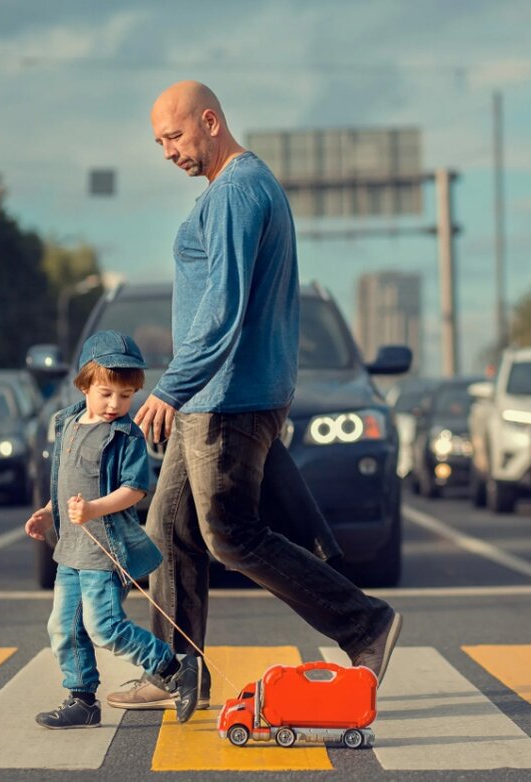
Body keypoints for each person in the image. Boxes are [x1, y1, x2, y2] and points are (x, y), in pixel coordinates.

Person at [108, 81, 402, 714]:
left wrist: (174, 387)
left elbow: (222, 309)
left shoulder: (238, 191)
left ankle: (365, 625)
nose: (167, 151)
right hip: (214, 397)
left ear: (210, 121)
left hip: (228, 398)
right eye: (159, 141)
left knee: (229, 535)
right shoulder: (232, 189)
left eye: (176, 136)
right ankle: (175, 670)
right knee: (169, 529)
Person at [24, 330, 200, 729]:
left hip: (105, 550)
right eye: (105, 393)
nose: (115, 404)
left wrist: (93, 510)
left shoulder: (126, 436)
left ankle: (174, 668)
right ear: (84, 384)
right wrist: (49, 512)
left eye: (126, 396)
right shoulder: (67, 423)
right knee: (64, 627)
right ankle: (83, 699)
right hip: (71, 550)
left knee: (103, 626)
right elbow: (67, 482)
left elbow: (135, 490)